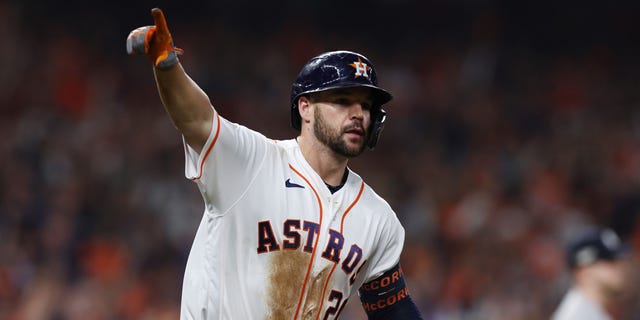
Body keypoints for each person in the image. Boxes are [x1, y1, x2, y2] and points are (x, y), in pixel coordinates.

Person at [126, 8, 423, 320]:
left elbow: (395, 310)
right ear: (305, 108)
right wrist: (169, 67)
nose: (358, 113)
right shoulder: (253, 160)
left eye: (366, 105)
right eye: (342, 100)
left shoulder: (378, 218)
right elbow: (197, 119)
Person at [551, 227, 631, 320]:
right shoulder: (577, 316)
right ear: (584, 270)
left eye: (619, 260)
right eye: (610, 261)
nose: (620, 266)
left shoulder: (589, 311)